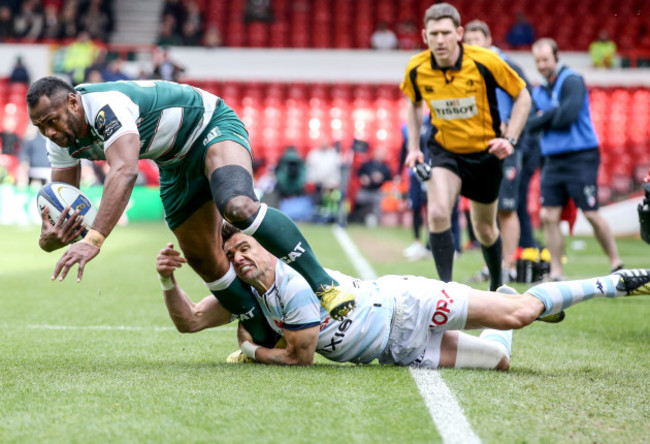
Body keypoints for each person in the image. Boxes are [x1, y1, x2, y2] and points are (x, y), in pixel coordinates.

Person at [26, 78, 356, 351]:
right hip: (173, 162)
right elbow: (66, 205)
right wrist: (52, 240)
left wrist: (95, 239)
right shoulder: (60, 141)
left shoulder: (104, 107)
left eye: (52, 121)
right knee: (201, 257)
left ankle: (324, 285)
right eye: (41, 127)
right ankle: (262, 332)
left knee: (237, 206)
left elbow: (125, 171)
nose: (50, 132)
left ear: (72, 102)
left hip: (210, 126)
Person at [155, 225, 650, 369]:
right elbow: (192, 322)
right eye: (232, 254)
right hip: (396, 350)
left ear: (264, 244)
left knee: (520, 315)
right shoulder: (249, 294)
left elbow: (299, 356)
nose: (240, 258)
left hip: (404, 304)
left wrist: (250, 349)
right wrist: (168, 282)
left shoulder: (291, 282)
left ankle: (615, 281)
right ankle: (499, 295)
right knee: (500, 360)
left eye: (245, 246)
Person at [401, 3, 531, 291]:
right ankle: (446, 293)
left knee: (485, 229)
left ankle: (498, 283)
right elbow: (413, 104)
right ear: (424, 35)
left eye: (446, 32)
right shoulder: (417, 68)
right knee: (437, 213)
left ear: (459, 33)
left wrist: (510, 139)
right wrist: (413, 147)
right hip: (445, 152)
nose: (440, 40)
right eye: (433, 33)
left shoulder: (485, 61)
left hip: (484, 154)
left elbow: (523, 96)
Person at [528, 38, 623, 281]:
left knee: (590, 213)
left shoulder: (572, 80)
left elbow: (566, 118)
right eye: (538, 61)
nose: (542, 65)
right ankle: (556, 272)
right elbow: (529, 124)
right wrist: (549, 115)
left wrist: (544, 117)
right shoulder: (538, 90)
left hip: (580, 156)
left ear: (556, 57)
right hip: (552, 160)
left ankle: (616, 262)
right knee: (548, 216)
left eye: (546, 60)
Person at [464, 20, 539, 282]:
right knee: (488, 208)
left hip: (507, 146)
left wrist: (513, 137)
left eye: (477, 39)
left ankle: (508, 264)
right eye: (468, 40)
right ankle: (493, 265)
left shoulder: (505, 63)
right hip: (481, 146)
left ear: (488, 39)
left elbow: (528, 100)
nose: (472, 44)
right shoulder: (467, 67)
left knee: (507, 207)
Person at [352, 148, 392, 227]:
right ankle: (357, 217)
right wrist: (364, 179)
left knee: (379, 202)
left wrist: (381, 178)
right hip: (366, 190)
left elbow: (388, 179)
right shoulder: (367, 165)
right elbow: (359, 174)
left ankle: (376, 219)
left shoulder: (385, 167)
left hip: (377, 191)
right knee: (358, 198)